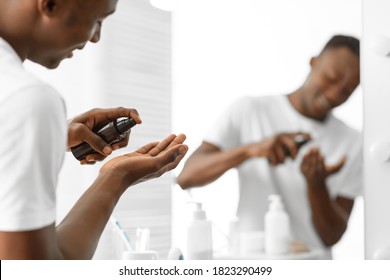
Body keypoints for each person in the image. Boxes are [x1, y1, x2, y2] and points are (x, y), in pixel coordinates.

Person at [0, 0, 188, 259]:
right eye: (98, 21)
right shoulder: (27, 98)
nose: (97, 38)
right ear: (51, 4)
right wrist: (116, 177)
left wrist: (52, 136)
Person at [177, 35, 361, 259]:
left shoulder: (353, 142)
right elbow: (187, 177)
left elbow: (331, 236)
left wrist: (317, 185)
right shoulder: (250, 110)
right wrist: (251, 150)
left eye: (347, 90)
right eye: (331, 78)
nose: (334, 95)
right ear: (313, 62)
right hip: (250, 265)